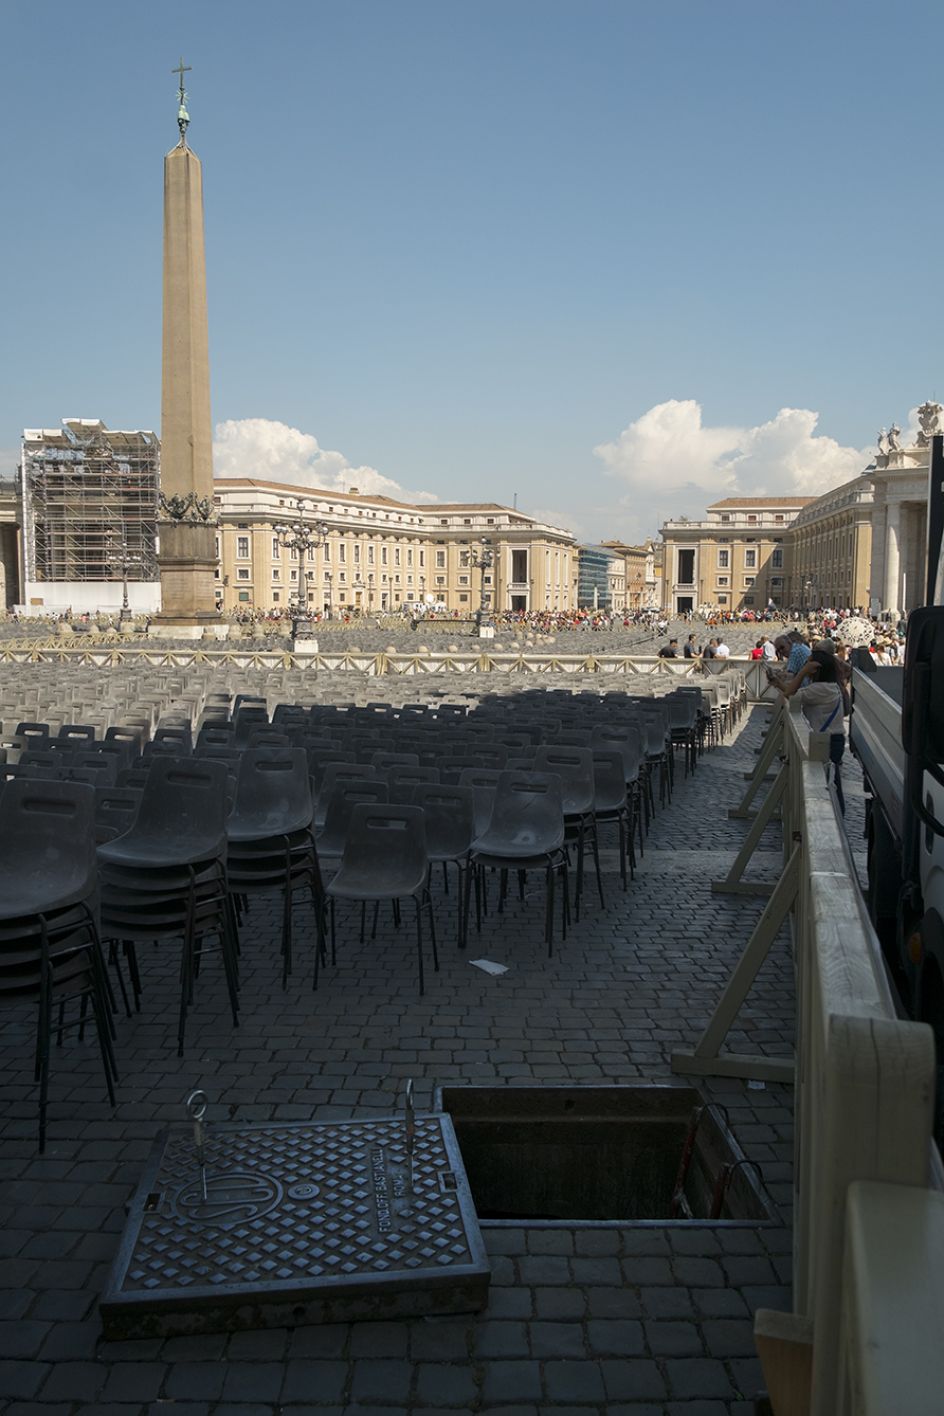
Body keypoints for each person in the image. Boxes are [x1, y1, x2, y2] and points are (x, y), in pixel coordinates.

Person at [773, 648, 846, 813]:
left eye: (809, 662)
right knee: (831, 782)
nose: (806, 665)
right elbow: (793, 694)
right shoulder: (828, 687)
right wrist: (778, 684)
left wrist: (802, 673)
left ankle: (829, 819)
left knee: (826, 784)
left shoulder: (821, 689)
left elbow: (791, 695)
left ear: (816, 668)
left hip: (826, 742)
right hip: (831, 740)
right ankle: (834, 815)